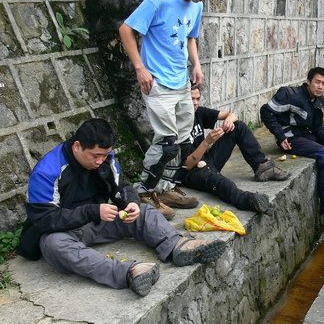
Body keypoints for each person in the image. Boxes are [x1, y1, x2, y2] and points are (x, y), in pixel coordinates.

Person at [16, 119, 227, 297]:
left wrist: (131, 203)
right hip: (62, 231)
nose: (100, 161)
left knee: (143, 211)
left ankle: (177, 246)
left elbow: (120, 186)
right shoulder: (47, 171)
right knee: (54, 245)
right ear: (77, 146)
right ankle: (129, 272)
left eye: (104, 155)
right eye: (95, 156)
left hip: (99, 220)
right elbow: (45, 219)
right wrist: (93, 211)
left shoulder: (105, 159)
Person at [118, 0, 223, 219]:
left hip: (181, 82)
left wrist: (196, 64)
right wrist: (139, 68)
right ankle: (143, 192)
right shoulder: (159, 0)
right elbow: (126, 29)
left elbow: (190, 37)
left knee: (181, 141)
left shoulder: (196, 5)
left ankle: (164, 188)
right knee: (165, 141)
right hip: (158, 83)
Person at [166, 87, 290, 214]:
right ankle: (248, 200)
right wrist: (207, 142)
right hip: (190, 172)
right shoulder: (174, 123)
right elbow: (186, 165)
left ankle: (262, 167)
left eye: (198, 98)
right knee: (219, 181)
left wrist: (229, 121)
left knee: (238, 126)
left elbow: (231, 114)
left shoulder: (199, 112)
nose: (195, 102)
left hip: (206, 158)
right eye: (191, 99)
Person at [260, 67, 324, 220]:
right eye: (317, 82)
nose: (320, 87)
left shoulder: (319, 100)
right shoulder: (289, 94)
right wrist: (280, 136)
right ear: (308, 81)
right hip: (291, 139)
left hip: (308, 136)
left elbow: (318, 125)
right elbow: (265, 111)